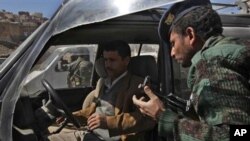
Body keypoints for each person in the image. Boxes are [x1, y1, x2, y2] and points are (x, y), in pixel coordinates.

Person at [133, 0, 250, 141]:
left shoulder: (212, 62)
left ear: (190, 35)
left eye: (173, 43)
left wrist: (164, 117)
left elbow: (235, 135)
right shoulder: (232, 49)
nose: (172, 52)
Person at [48, 40, 155, 141]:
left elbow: (145, 119)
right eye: (105, 60)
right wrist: (71, 116)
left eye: (112, 60)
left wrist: (108, 122)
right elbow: (91, 111)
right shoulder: (102, 82)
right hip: (90, 133)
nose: (107, 65)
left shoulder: (139, 85)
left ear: (126, 61)